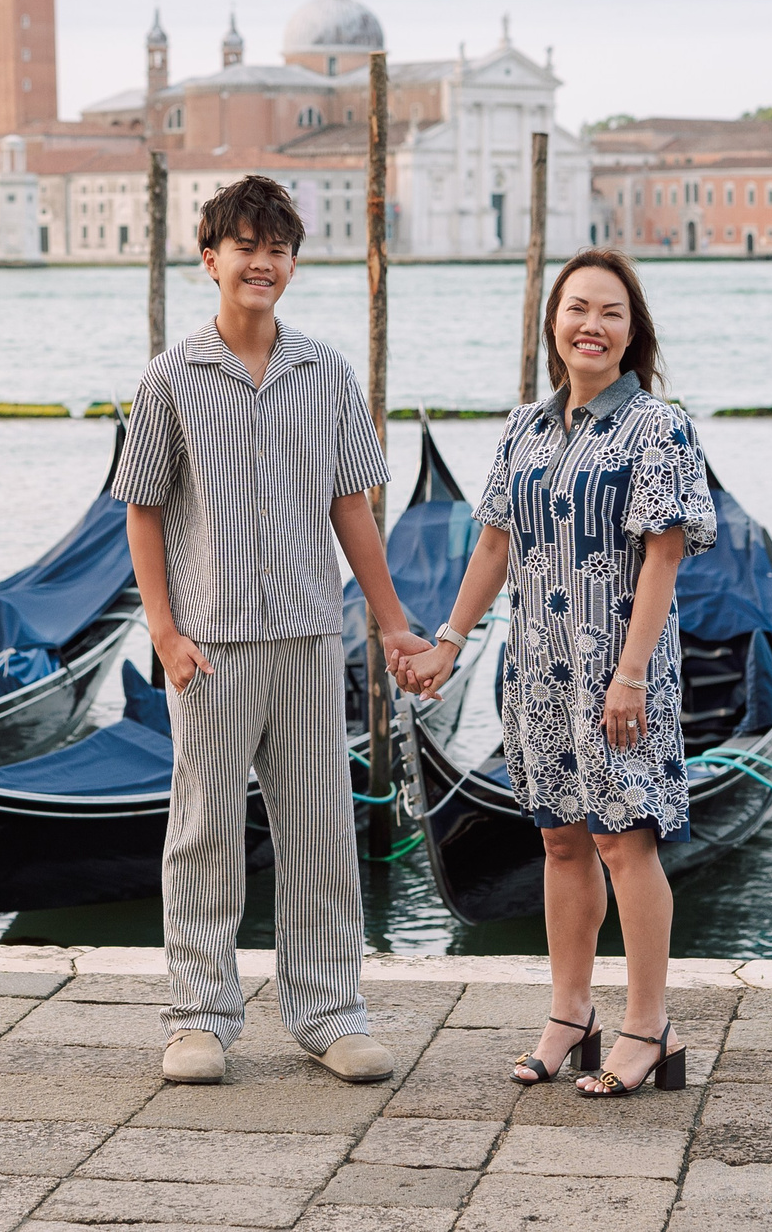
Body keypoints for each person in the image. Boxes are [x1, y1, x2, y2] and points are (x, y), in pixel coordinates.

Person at [112, 174, 429, 1086]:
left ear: (293, 261)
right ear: (210, 258)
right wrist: (165, 634)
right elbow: (142, 509)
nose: (263, 261)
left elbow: (352, 507)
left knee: (322, 832)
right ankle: (199, 1017)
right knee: (204, 831)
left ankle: (330, 1010)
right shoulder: (171, 378)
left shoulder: (325, 372)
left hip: (306, 637)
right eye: (245, 246)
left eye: (278, 247)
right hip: (208, 644)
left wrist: (395, 625)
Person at [394, 248, 709, 1097]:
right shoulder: (525, 427)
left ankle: (650, 1025)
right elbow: (495, 542)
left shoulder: (660, 427)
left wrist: (633, 672)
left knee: (623, 839)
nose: (591, 325)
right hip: (536, 668)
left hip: (620, 671)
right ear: (553, 323)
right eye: (577, 309)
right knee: (560, 838)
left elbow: (664, 555)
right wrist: (450, 642)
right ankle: (571, 1011)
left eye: (610, 311)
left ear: (632, 328)